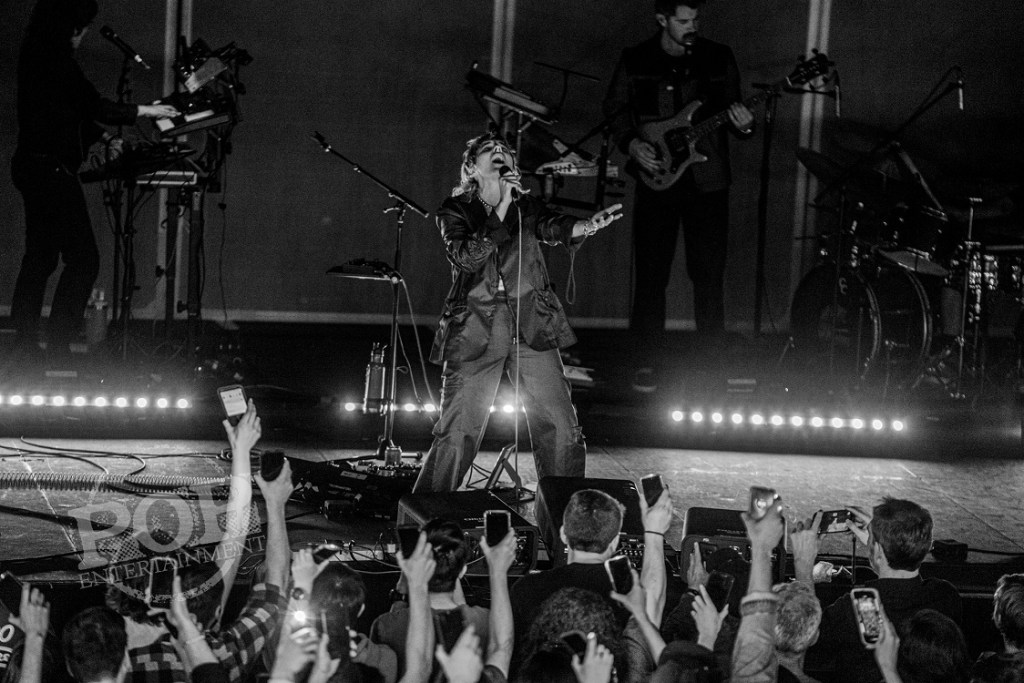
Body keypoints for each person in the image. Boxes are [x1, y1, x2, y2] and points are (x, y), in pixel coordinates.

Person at [413, 131, 623, 492]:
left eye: (506, 150)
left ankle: (564, 517)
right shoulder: (455, 209)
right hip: (478, 324)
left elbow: (553, 224)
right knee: (458, 430)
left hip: (530, 321)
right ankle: (423, 517)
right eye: (490, 150)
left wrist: (587, 225)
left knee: (561, 425)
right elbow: (467, 257)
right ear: (471, 168)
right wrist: (502, 206)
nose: (500, 152)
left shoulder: (527, 207)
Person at [9, 0, 177, 362]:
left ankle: (25, 343)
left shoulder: (37, 57)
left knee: (41, 257)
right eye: (81, 30)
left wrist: (104, 138)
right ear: (70, 29)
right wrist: (146, 110)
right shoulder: (56, 62)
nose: (82, 37)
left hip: (33, 167)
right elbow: (93, 106)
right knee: (83, 259)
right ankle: (57, 344)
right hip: (50, 171)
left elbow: (68, 114)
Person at [603, 0, 754, 391]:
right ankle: (646, 362)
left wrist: (744, 125)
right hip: (657, 177)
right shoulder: (637, 58)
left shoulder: (717, 57)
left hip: (708, 180)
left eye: (696, 20)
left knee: (709, 276)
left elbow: (734, 114)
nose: (692, 27)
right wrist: (632, 144)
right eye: (683, 21)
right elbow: (615, 109)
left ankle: (712, 366)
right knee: (651, 275)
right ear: (662, 20)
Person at [802, 498, 962, 683]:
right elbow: (904, 581)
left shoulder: (859, 608)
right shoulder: (946, 596)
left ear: (878, 550)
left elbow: (804, 635)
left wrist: (803, 564)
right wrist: (881, 547)